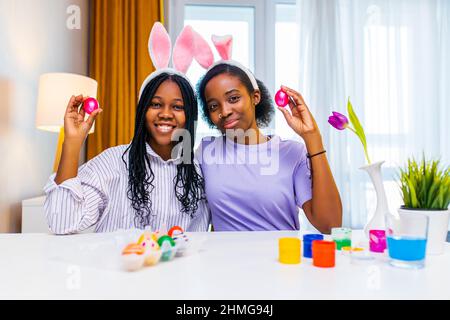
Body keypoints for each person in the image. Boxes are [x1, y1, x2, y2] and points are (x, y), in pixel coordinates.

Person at [44, 22, 210, 234]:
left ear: (190, 116)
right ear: (142, 111)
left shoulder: (199, 171)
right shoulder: (111, 163)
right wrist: (72, 144)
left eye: (177, 107)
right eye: (156, 104)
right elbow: (62, 223)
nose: (166, 114)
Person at [195, 37, 342, 233]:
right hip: (226, 262)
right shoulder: (206, 151)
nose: (225, 110)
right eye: (214, 106)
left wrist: (312, 138)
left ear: (255, 97)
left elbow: (330, 225)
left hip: (282, 261)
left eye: (233, 98)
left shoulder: (292, 153)